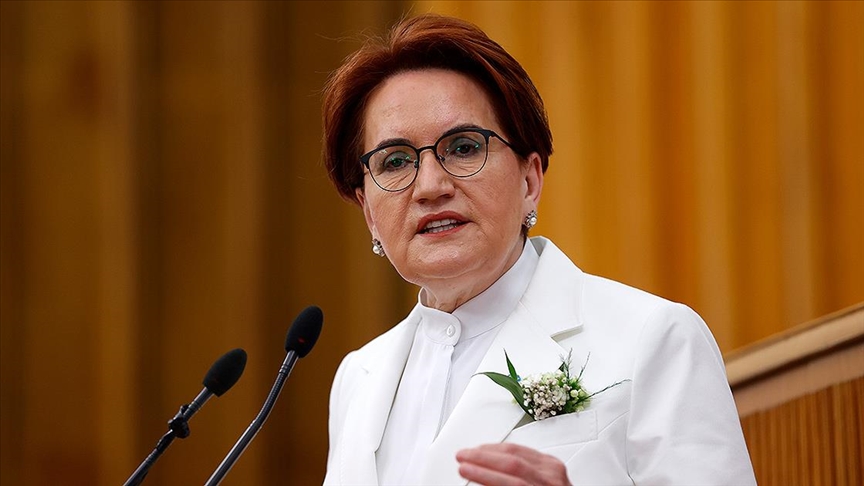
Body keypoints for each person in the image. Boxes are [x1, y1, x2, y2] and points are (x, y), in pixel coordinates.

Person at [320, 13, 755, 486]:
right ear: (369, 211)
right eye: (395, 161)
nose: (429, 186)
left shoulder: (654, 339)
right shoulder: (358, 378)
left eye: (463, 147)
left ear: (530, 181)